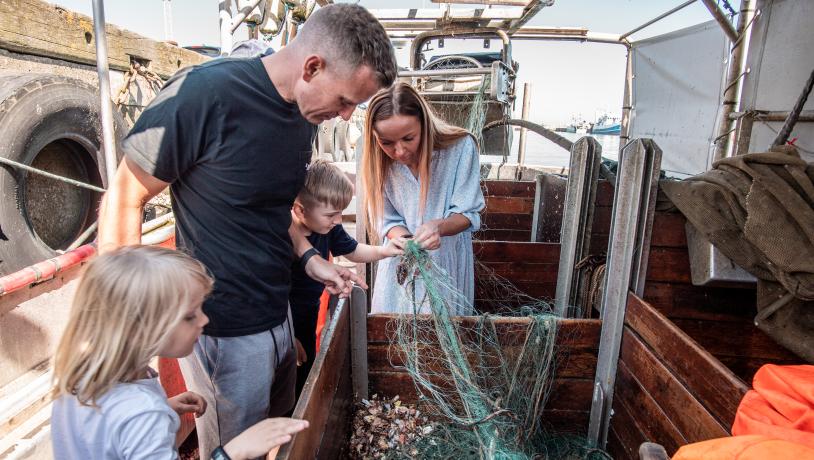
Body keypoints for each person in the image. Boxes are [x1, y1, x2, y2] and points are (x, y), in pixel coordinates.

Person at [96, 4, 396, 457]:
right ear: (312, 67)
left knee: (276, 441)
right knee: (235, 450)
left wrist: (312, 261)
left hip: (279, 318)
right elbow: (125, 196)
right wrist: (125, 344)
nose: (348, 116)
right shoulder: (203, 94)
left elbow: (276, 211)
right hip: (223, 331)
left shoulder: (303, 115)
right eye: (345, 100)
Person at [51, 246, 309, 460]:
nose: (204, 320)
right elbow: (135, 420)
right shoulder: (143, 415)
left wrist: (163, 406)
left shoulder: (76, 382)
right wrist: (233, 451)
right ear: (142, 329)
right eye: (189, 316)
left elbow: (105, 434)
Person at [361, 83, 485, 315]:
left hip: (447, 263)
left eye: (408, 138)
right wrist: (408, 242)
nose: (399, 151)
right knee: (392, 338)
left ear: (424, 125)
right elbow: (385, 218)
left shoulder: (461, 148)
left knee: (444, 335)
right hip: (399, 266)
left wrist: (438, 227)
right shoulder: (379, 161)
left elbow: (468, 214)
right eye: (386, 142)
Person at [289, 160, 403, 394]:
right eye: (331, 214)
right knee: (288, 372)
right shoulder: (283, 241)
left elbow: (352, 250)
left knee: (305, 372)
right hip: (284, 318)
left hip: (308, 315)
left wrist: (384, 250)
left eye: (341, 213)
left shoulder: (328, 229)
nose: (338, 220)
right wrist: (288, 336)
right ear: (300, 210)